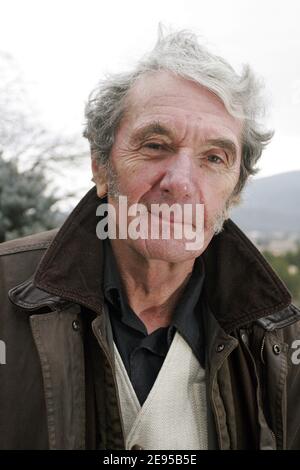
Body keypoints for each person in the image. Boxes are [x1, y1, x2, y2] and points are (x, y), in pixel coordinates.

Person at [1, 29, 300, 451]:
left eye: (214, 158)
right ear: (102, 169)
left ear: (233, 194)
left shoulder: (280, 338)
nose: (180, 183)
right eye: (156, 145)